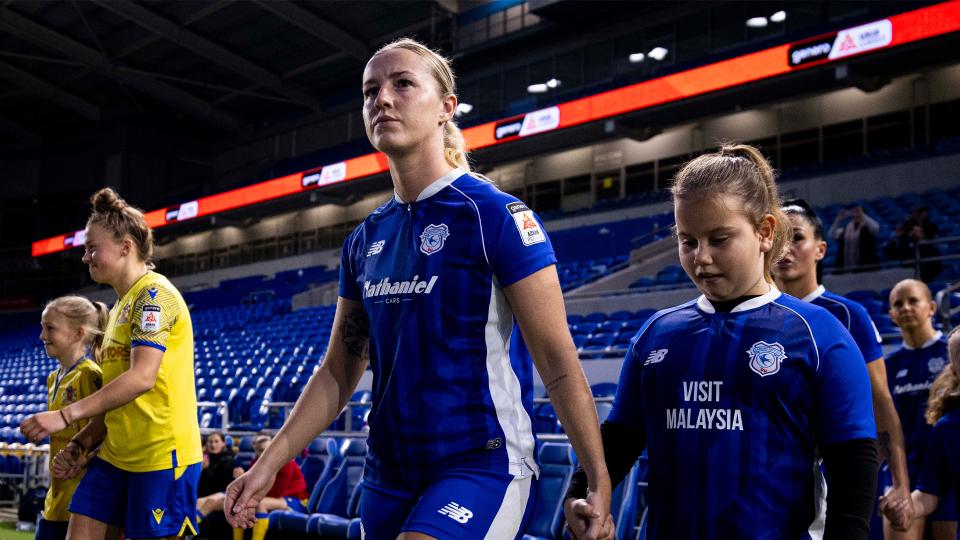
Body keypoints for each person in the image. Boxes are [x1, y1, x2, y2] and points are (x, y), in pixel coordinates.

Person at [225, 38, 612, 540]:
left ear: (446, 108)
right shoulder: (365, 239)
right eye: (370, 91)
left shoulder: (495, 215)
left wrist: (598, 478)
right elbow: (339, 372)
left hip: (481, 463)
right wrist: (266, 468)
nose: (382, 99)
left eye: (402, 84)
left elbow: (557, 361)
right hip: (387, 475)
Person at [565, 144, 879, 539]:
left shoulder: (820, 334)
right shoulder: (655, 334)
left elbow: (852, 457)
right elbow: (621, 436)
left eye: (719, 239)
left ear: (764, 232)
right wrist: (581, 491)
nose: (701, 258)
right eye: (688, 241)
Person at [20, 188, 202, 540]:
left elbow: (142, 378)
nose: (85, 258)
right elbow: (116, 400)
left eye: (92, 248)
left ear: (125, 247)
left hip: (162, 458)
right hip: (116, 455)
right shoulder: (119, 307)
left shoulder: (154, 296)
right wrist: (81, 443)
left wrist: (65, 416)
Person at [772, 198, 913, 537]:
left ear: (820, 249)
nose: (786, 249)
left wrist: (900, 484)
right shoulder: (753, 317)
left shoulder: (849, 316)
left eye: (797, 238)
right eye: (780, 239)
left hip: (827, 481)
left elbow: (881, 404)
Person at [880, 279, 956, 539]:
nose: (906, 308)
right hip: (904, 478)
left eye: (913, 301)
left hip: (949, 477)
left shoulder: (952, 354)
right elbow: (882, 427)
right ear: (890, 314)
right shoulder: (886, 367)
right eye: (898, 304)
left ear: (932, 307)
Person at [35, 296, 106, 540]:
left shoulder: (90, 375)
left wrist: (84, 459)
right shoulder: (53, 378)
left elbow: (106, 430)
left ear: (78, 333)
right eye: (42, 327)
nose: (42, 336)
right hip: (55, 499)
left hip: (82, 502)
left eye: (50, 328)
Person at [197, 434, 307, 540]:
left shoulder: (286, 463)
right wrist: (242, 479)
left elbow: (277, 492)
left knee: (259, 503)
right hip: (273, 497)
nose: (263, 453)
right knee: (240, 503)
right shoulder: (257, 462)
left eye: (267, 449)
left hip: (295, 500)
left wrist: (249, 491)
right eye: (259, 450)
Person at [885, 207, 940, 282]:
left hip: (926, 277)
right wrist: (896, 238)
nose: (916, 232)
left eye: (919, 231)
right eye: (914, 231)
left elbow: (935, 264)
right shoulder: (904, 244)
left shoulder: (928, 247)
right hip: (907, 276)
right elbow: (890, 253)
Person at [829, 205, 880, 272]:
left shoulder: (868, 228)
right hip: (847, 267)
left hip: (866, 266)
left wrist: (862, 214)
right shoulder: (847, 229)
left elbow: (876, 228)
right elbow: (831, 235)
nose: (857, 216)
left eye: (859, 214)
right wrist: (838, 220)